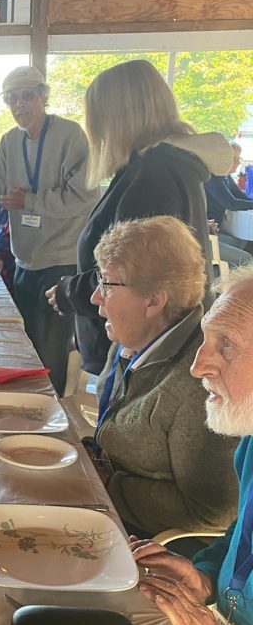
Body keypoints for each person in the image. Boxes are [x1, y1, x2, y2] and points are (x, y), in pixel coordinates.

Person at [132, 265, 253, 625]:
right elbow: (239, 536)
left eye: (225, 345)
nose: (198, 364)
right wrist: (204, 575)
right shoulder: (251, 443)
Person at [48, 59, 232, 375]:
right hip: (144, 346)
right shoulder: (159, 168)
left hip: (140, 352)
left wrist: (71, 292)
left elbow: (138, 276)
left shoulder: (152, 177)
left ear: (117, 118)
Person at [89, 216, 238, 537]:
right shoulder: (131, 340)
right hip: (106, 503)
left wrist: (108, 485)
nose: (95, 298)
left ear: (154, 301)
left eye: (107, 285)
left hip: (147, 544)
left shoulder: (200, 384)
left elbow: (213, 512)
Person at [0, 66, 95, 393]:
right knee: (23, 347)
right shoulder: (10, 142)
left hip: (61, 263)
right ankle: (24, 415)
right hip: (24, 264)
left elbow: (85, 198)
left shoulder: (71, 136)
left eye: (27, 95)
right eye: (12, 98)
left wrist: (31, 201)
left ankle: (52, 425)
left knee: (49, 354)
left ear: (44, 96)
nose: (20, 104)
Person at [205, 143, 253, 263]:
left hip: (213, 231)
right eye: (233, 159)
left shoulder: (225, 176)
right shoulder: (212, 177)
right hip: (206, 234)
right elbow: (231, 203)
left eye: (238, 159)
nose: (237, 163)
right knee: (246, 259)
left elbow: (240, 196)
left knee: (240, 242)